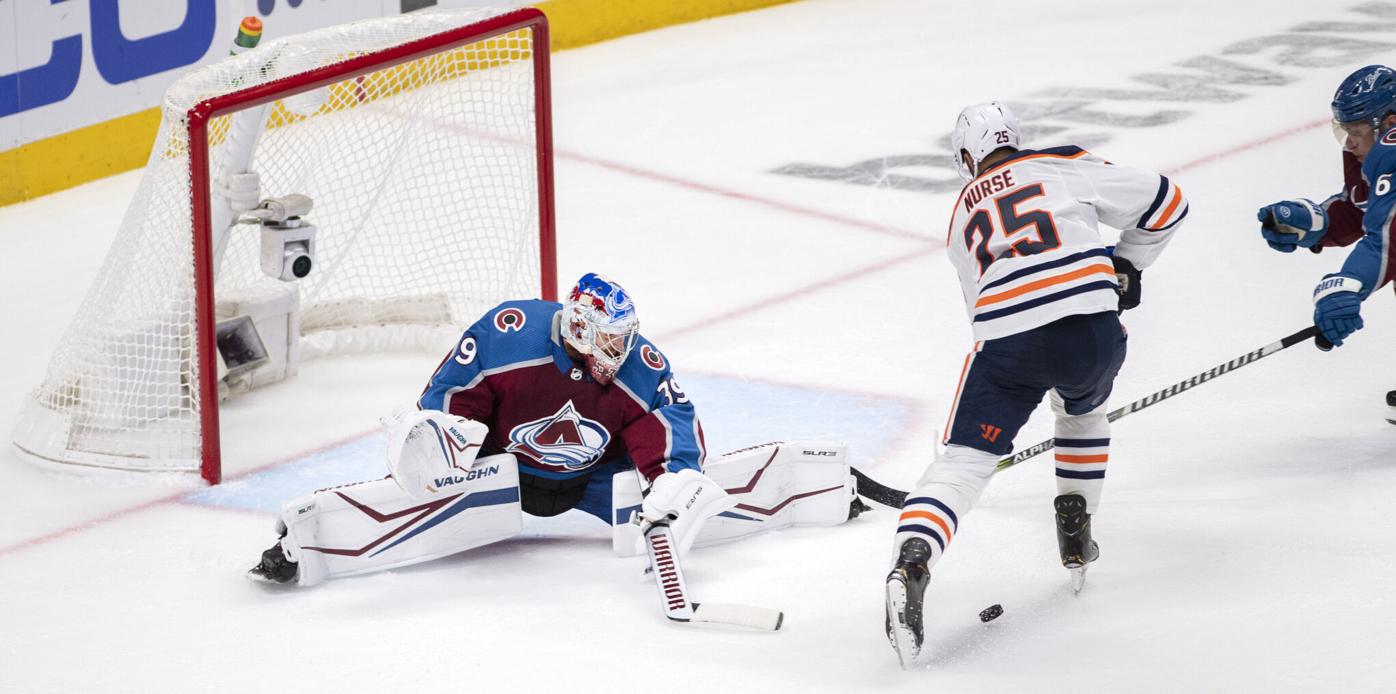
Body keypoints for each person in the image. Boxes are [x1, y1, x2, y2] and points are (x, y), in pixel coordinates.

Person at [249, 273, 859, 587]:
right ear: (586, 331)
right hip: (499, 475)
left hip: (597, 480)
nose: (627, 349)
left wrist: (670, 484)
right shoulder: (506, 334)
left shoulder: (635, 366)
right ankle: (304, 548)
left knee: (683, 500)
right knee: (416, 509)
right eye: (615, 340)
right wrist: (438, 448)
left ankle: (820, 486)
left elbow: (670, 420)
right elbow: (446, 402)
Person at [883, 102, 1186, 666]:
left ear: (968, 158)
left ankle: (915, 557)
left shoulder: (959, 217)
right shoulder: (1060, 162)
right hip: (1091, 332)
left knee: (963, 463)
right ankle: (1075, 521)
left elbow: (981, 309)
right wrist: (1128, 264)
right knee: (1080, 414)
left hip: (1010, 342)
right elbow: (1167, 200)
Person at [1256, 64, 1396, 424]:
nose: (1349, 142)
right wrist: (1316, 222)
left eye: (1356, 131)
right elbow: (1362, 206)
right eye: (1345, 131)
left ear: (1386, 122)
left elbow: (1388, 240)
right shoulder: (1374, 151)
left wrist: (1346, 287)